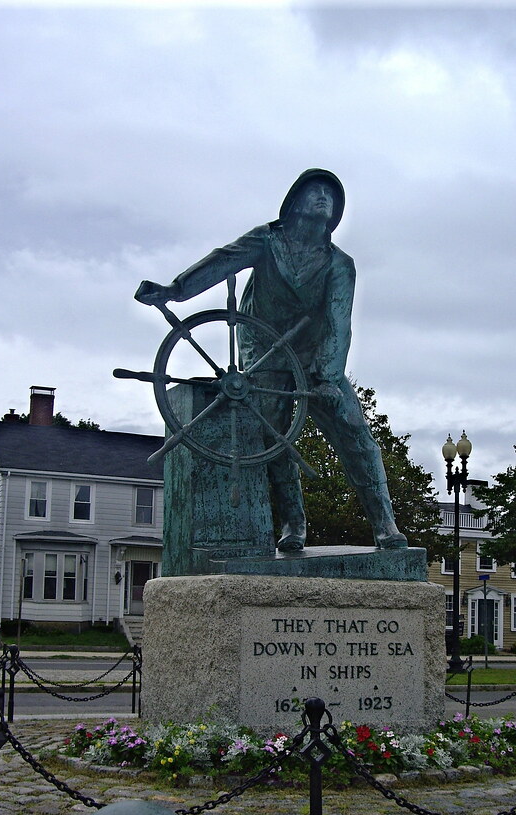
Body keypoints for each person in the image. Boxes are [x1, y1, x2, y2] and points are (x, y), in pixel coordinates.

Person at [135, 168, 407, 552]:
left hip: (316, 359)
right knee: (275, 439)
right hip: (265, 353)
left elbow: (338, 321)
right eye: (314, 191)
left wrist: (328, 377)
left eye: (330, 195)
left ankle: (384, 523)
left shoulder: (339, 264)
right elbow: (221, 262)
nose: (323, 198)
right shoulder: (267, 240)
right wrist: (175, 290)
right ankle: (293, 525)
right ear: (294, 202)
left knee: (356, 436)